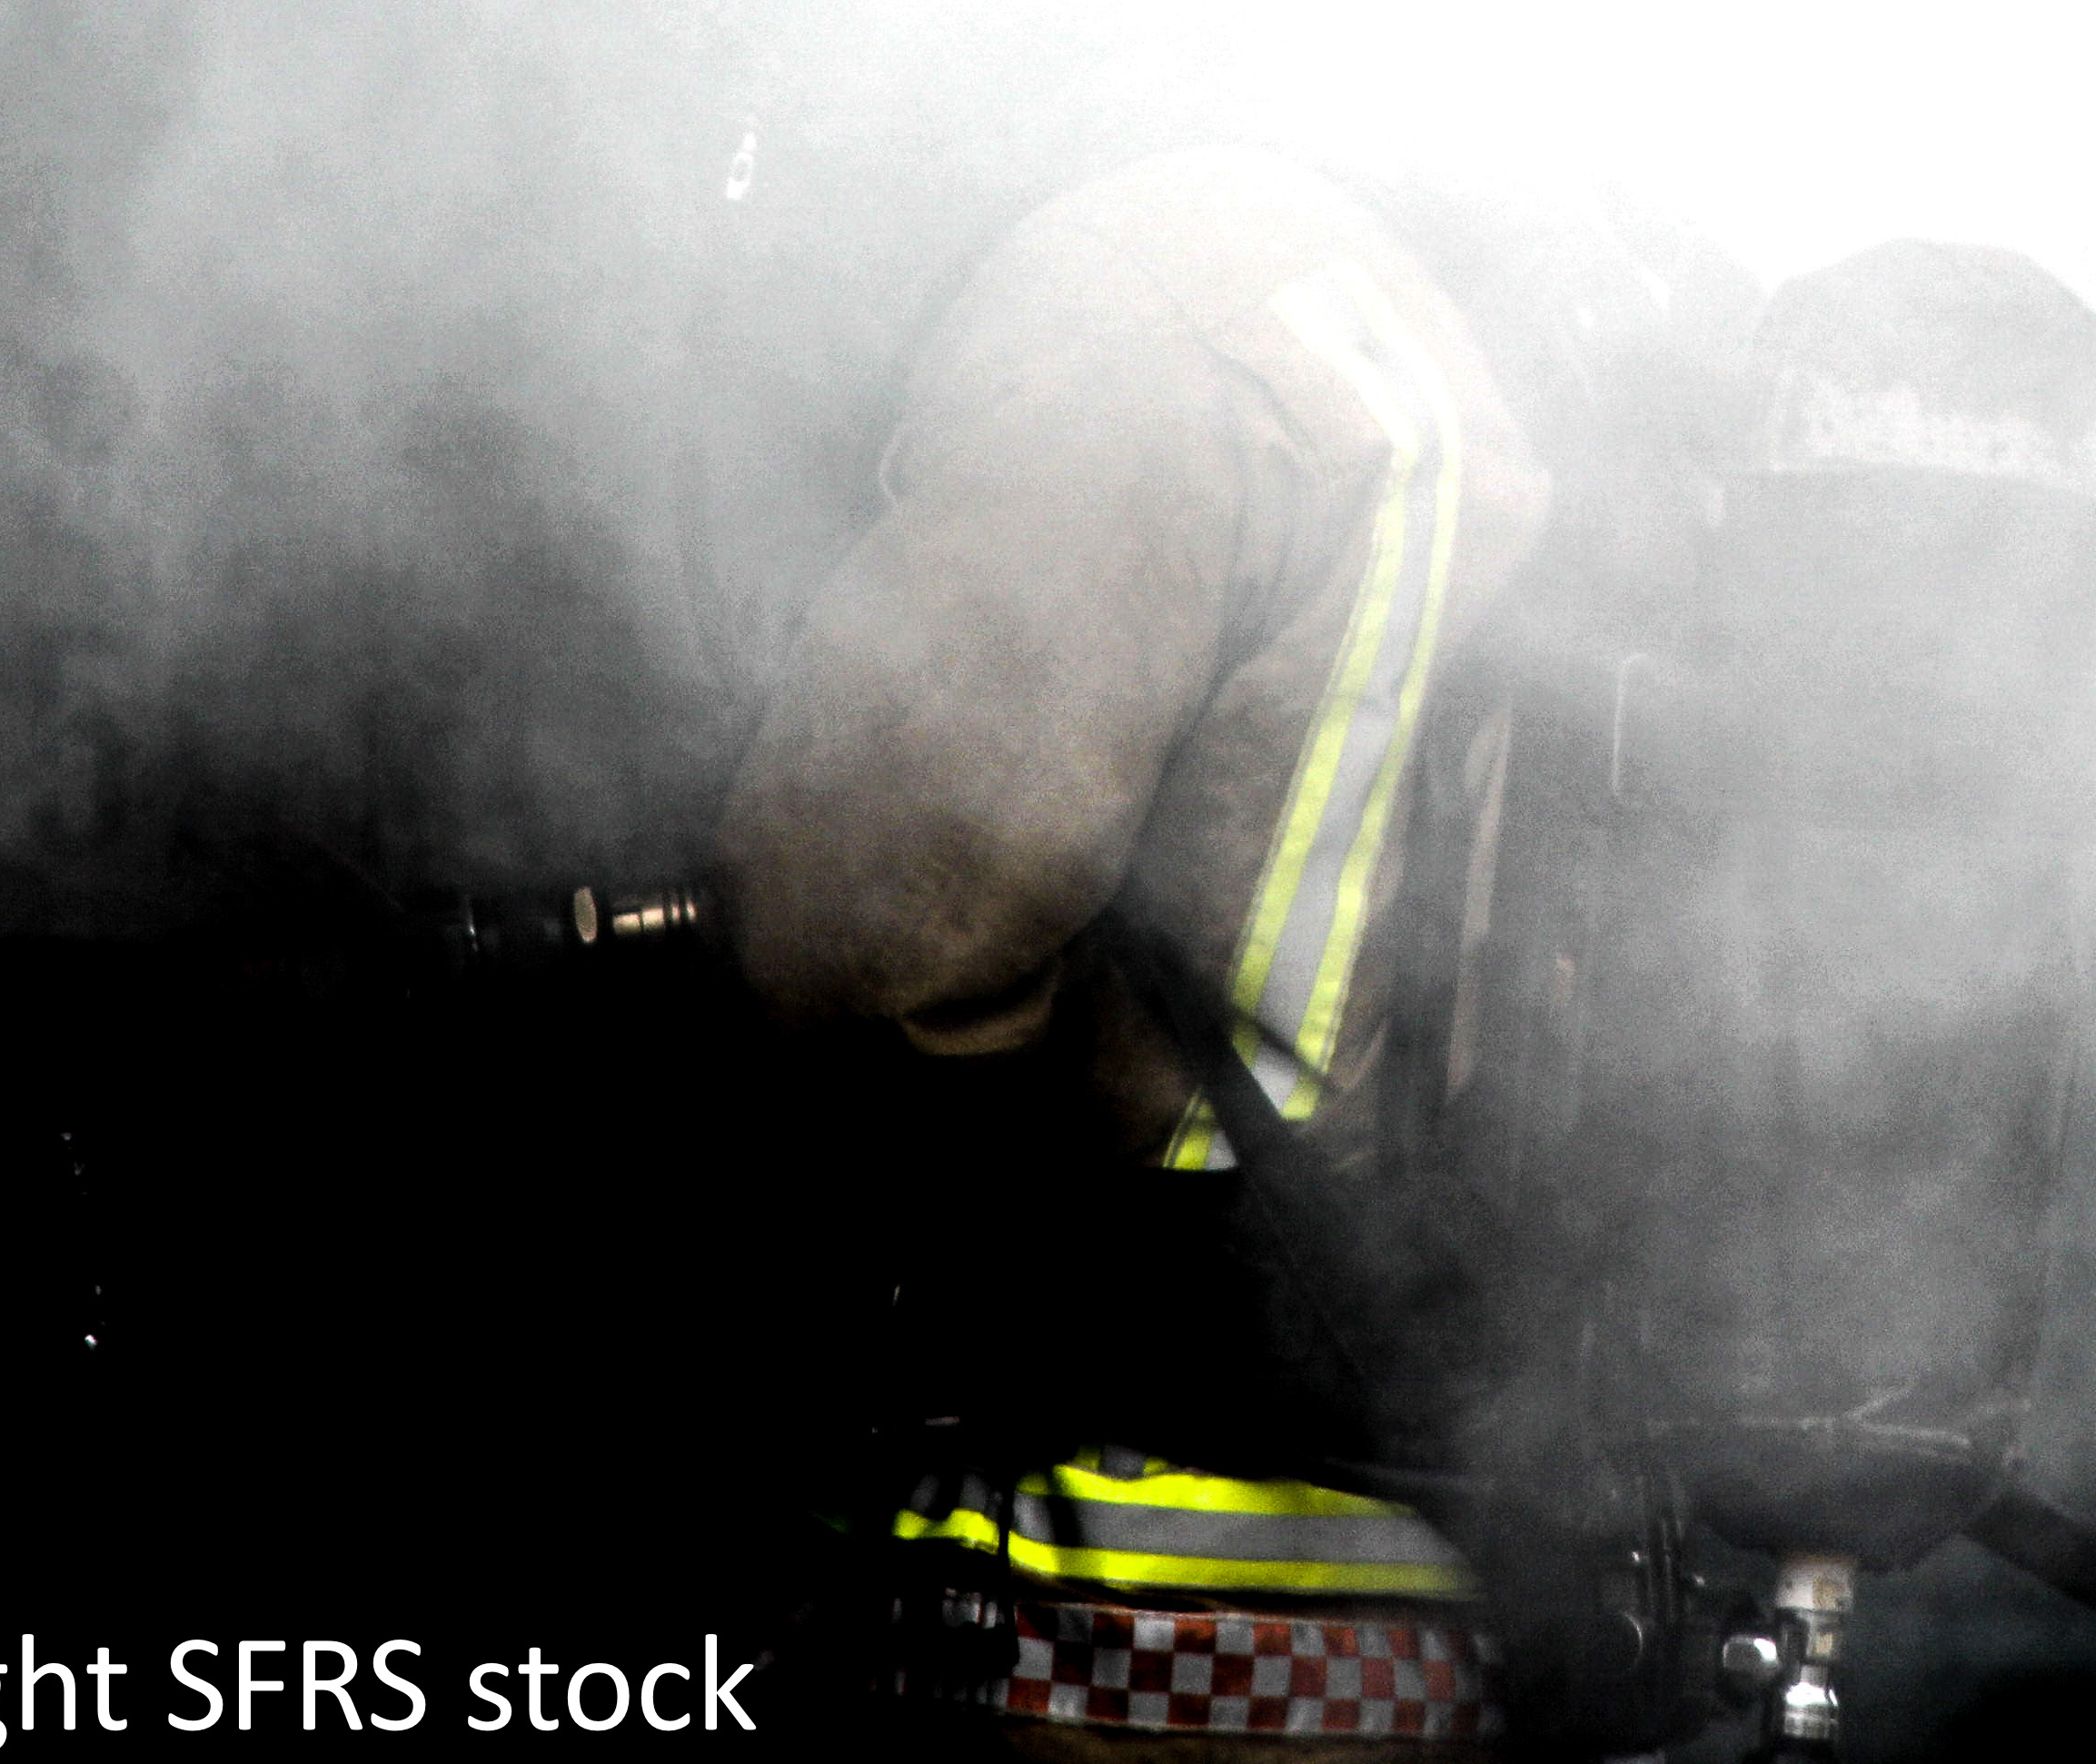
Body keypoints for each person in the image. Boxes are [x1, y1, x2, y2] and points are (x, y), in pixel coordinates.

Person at [719, 144, 1744, 1757]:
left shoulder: (1167, 295)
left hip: (1103, 1604)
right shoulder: (1584, 330)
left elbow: (885, 916)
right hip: (1476, 1592)